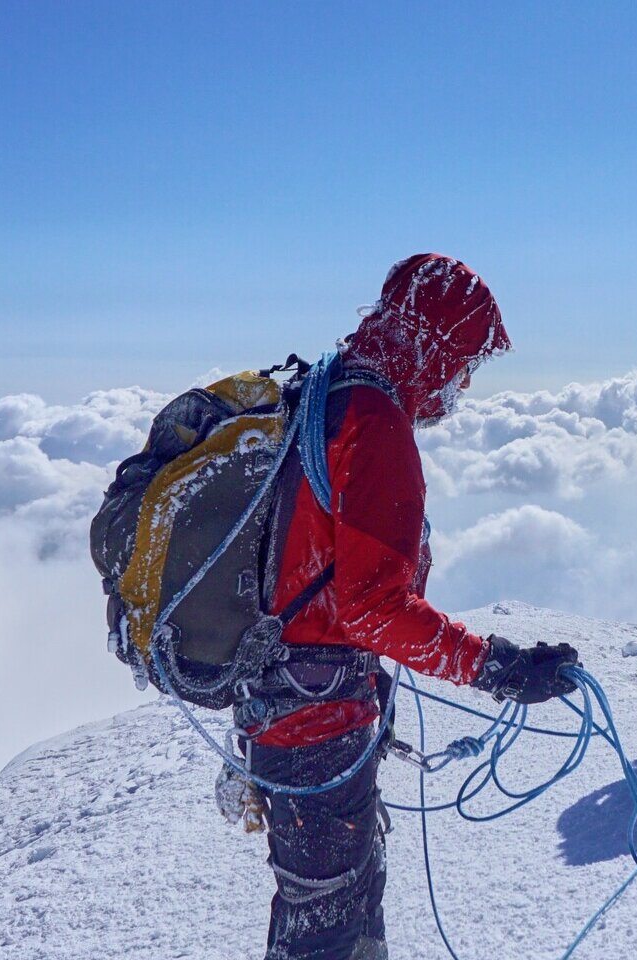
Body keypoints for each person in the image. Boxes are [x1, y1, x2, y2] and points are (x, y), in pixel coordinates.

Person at [249, 253, 579, 960]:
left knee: (319, 914)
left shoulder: (322, 390)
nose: (459, 384)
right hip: (319, 723)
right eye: (462, 362)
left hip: (282, 706)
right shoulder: (373, 420)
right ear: (433, 344)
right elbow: (370, 607)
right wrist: (496, 666)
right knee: (330, 932)